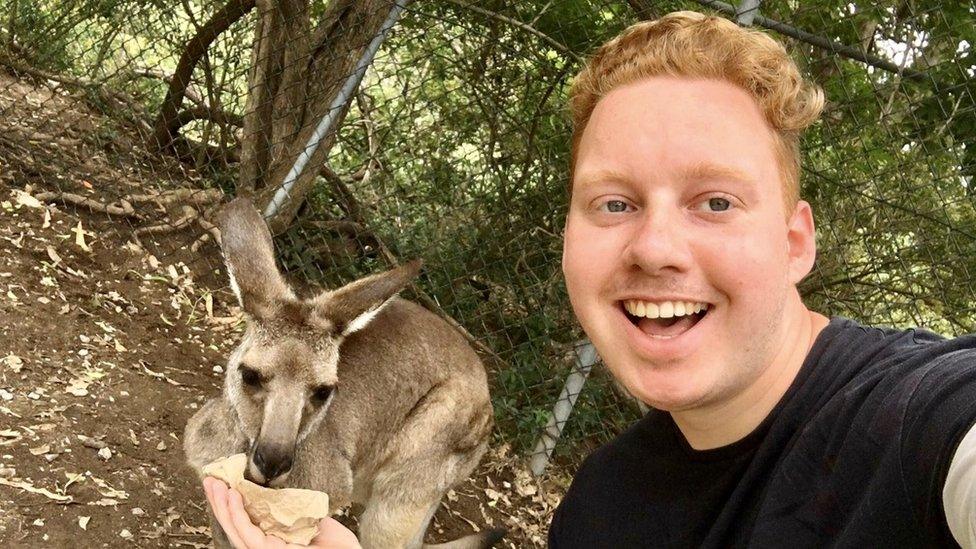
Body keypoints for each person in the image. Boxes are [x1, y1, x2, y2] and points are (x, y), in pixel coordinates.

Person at [204, 10, 976, 548]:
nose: (657, 247)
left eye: (715, 200)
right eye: (615, 202)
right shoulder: (600, 510)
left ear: (797, 240)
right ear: (568, 239)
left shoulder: (915, 421)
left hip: (439, 408)